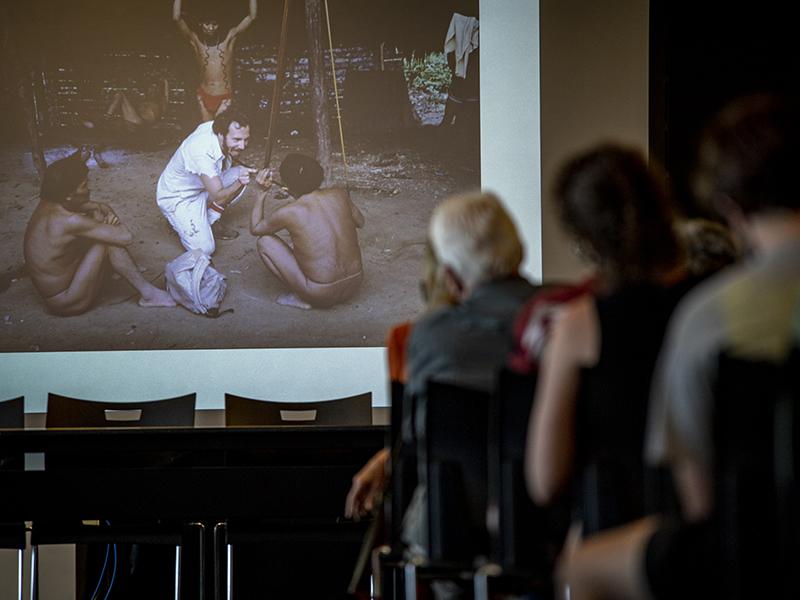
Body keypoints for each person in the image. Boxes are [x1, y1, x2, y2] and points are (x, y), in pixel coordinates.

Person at [558, 94, 800, 600]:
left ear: (731, 207)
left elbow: (698, 500)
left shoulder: (710, 317)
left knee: (580, 568)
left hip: (755, 554)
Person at [346, 193, 538, 583]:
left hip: (457, 536)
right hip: (553, 525)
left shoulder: (432, 334)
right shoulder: (567, 316)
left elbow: (421, 439)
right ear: (518, 250)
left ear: (449, 276)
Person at [526, 145, 696, 542]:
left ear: (585, 238)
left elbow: (546, 479)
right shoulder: (712, 305)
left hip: (621, 534)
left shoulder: (581, 325)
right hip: (725, 536)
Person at [23, 151, 175, 316]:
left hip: (66, 285)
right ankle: (149, 295)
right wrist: (105, 225)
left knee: (99, 219)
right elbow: (125, 237)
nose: (89, 189)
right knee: (107, 242)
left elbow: (100, 206)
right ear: (68, 195)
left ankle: (122, 268)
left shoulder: (51, 203)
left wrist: (99, 214)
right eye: (84, 186)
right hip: (66, 301)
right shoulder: (68, 221)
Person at [251, 153, 365, 309]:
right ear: (318, 175)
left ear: (286, 184)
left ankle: (302, 297)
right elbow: (361, 222)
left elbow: (256, 228)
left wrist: (260, 193)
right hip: (355, 284)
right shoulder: (339, 194)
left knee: (264, 242)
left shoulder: (290, 211)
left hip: (320, 293)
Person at [157, 107, 266, 255]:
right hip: (179, 197)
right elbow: (218, 196)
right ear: (221, 134)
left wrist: (253, 174)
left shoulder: (217, 126)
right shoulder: (201, 151)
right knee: (206, 249)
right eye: (237, 140)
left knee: (241, 172)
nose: (243, 146)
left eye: (246, 139)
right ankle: (176, 221)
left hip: (201, 186)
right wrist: (240, 182)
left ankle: (211, 220)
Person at [173, 0, 257, 122]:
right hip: (203, 95)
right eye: (207, 24)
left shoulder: (229, 38)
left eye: (214, 24)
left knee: (220, 132)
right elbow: (176, 18)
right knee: (207, 133)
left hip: (224, 97)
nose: (211, 28)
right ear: (201, 24)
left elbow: (252, 17)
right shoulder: (195, 40)